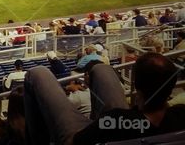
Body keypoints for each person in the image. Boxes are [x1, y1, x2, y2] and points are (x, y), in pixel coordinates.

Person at [24, 51, 185, 144]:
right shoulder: (180, 115)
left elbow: (77, 141)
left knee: (38, 73)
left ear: (137, 87)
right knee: (102, 68)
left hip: (84, 137)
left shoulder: (117, 120)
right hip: (112, 129)